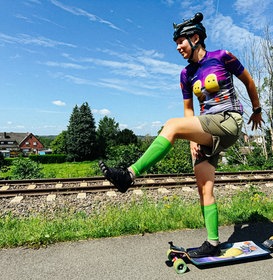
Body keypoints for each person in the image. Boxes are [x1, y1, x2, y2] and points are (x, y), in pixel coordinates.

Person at [99, 12, 262, 258]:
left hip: (229, 121)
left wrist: (257, 109)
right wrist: (192, 139)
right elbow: (189, 110)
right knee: (204, 186)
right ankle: (213, 243)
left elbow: (248, 81)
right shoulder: (186, 75)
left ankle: (129, 175)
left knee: (171, 126)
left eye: (181, 41)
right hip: (206, 129)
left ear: (195, 38)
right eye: (176, 43)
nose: (177, 47)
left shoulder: (222, 57)